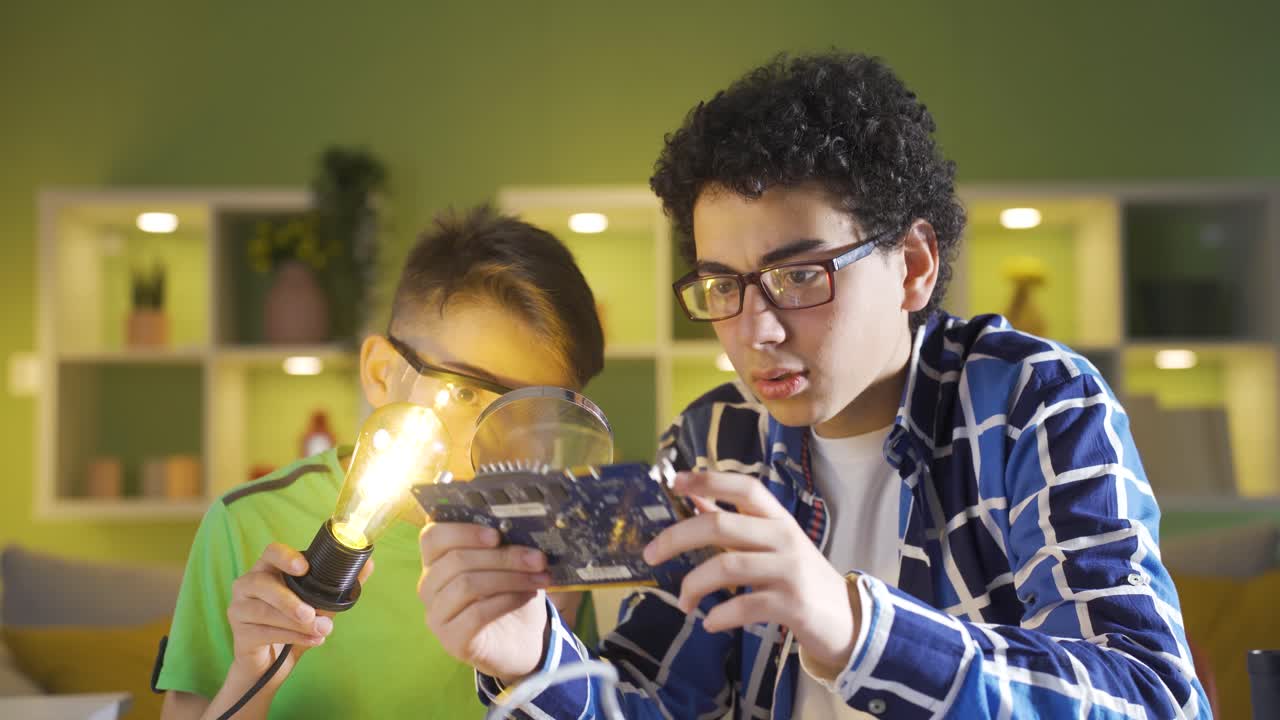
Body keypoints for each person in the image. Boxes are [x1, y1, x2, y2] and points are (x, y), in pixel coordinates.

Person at [419, 53, 1212, 718]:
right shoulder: (712, 441)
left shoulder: (1034, 403)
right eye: (722, 285)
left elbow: (1152, 697)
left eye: (799, 276)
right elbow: (651, 701)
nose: (755, 330)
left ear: (914, 264)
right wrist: (533, 661)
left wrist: (852, 623)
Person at [156, 206, 604, 719]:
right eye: (464, 393)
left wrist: (551, 632)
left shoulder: (550, 541)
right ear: (380, 372)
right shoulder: (244, 525)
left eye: (536, 414)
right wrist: (253, 676)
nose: (497, 441)